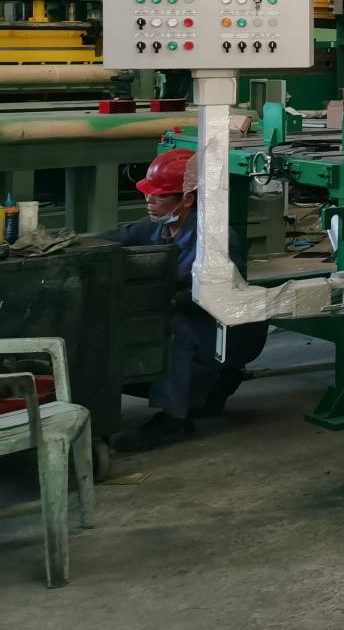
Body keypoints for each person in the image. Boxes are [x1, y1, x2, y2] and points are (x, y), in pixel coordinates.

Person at [105, 148, 268, 453]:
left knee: (171, 327)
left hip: (229, 330)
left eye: (159, 196)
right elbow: (114, 238)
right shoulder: (158, 225)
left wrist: (156, 298)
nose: (149, 201)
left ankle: (174, 418)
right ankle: (211, 389)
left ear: (188, 199)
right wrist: (62, 242)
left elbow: (211, 297)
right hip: (196, 321)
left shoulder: (217, 240)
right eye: (147, 194)